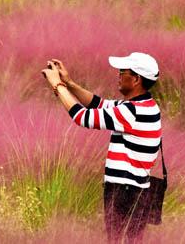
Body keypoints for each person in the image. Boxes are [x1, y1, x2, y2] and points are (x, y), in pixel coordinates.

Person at [41, 53, 162, 243]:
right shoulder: (144, 105)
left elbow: (82, 117)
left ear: (136, 79)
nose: (119, 75)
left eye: (123, 72)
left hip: (125, 193)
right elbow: (99, 104)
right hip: (136, 191)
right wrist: (69, 83)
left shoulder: (131, 111)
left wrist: (57, 85)